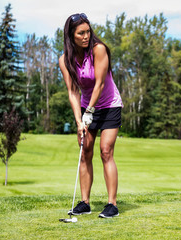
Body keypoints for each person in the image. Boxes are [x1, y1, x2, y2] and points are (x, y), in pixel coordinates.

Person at [59, 13, 123, 218]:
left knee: (106, 151)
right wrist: (79, 121)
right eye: (81, 33)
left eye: (88, 31)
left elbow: (100, 84)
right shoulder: (65, 60)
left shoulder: (99, 49)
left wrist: (89, 112)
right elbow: (72, 92)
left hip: (109, 105)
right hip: (87, 107)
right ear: (71, 36)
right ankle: (85, 202)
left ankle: (112, 204)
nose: (86, 36)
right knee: (85, 151)